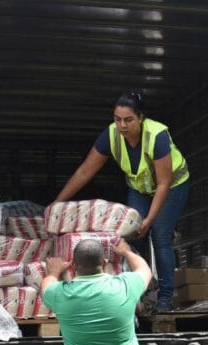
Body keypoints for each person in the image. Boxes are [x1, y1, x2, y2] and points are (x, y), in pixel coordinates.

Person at [54, 92, 189, 312]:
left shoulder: (157, 135)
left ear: (140, 118)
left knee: (159, 235)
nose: (122, 125)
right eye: (117, 119)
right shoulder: (111, 135)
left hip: (172, 186)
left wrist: (150, 219)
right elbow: (85, 171)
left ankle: (165, 299)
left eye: (128, 120)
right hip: (140, 188)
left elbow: (164, 183)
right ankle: (143, 292)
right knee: (132, 234)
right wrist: (58, 203)